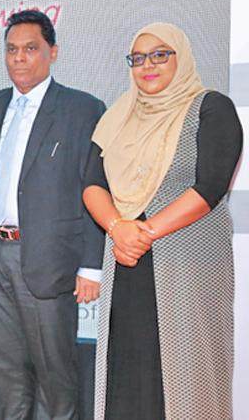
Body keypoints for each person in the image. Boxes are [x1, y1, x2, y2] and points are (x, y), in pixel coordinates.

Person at [83, 22, 242, 420]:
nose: (147, 66)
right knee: (128, 370)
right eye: (138, 59)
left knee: (189, 372)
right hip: (128, 264)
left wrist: (145, 232)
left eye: (159, 55)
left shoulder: (211, 107)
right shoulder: (118, 116)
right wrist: (120, 229)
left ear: (181, 56)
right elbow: (90, 182)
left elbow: (210, 185)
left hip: (188, 264)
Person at [0, 10, 106, 420]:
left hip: (49, 259)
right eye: (11, 50)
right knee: (7, 372)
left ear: (52, 52)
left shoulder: (82, 108)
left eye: (30, 49)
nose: (19, 58)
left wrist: (91, 266)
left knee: (55, 375)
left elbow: (94, 188)